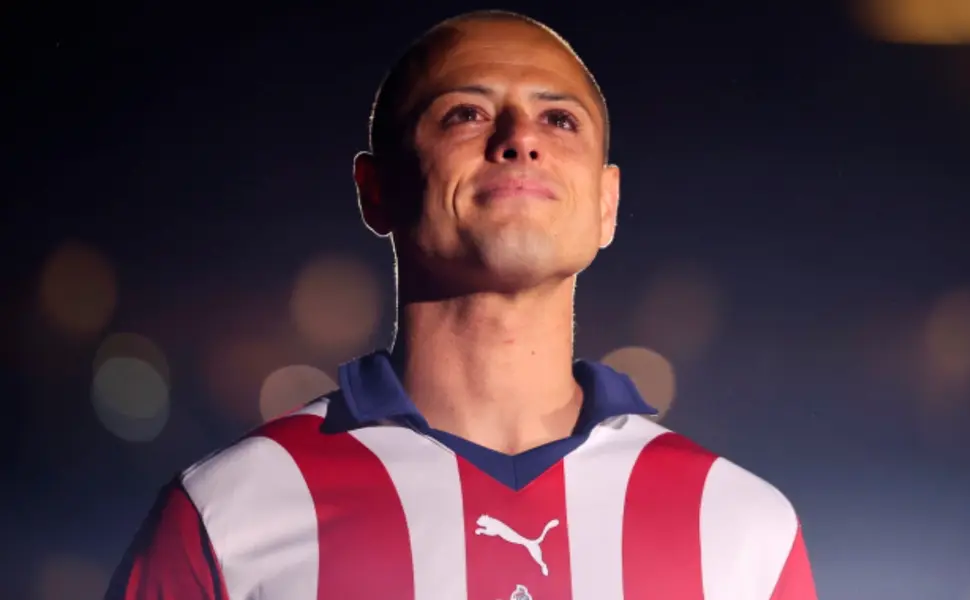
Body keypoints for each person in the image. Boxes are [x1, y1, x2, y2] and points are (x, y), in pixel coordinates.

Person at [106, 10, 819, 600]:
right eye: (466, 114)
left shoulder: (740, 527)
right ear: (375, 189)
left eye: (560, 121)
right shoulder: (227, 515)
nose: (520, 140)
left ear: (608, 205)